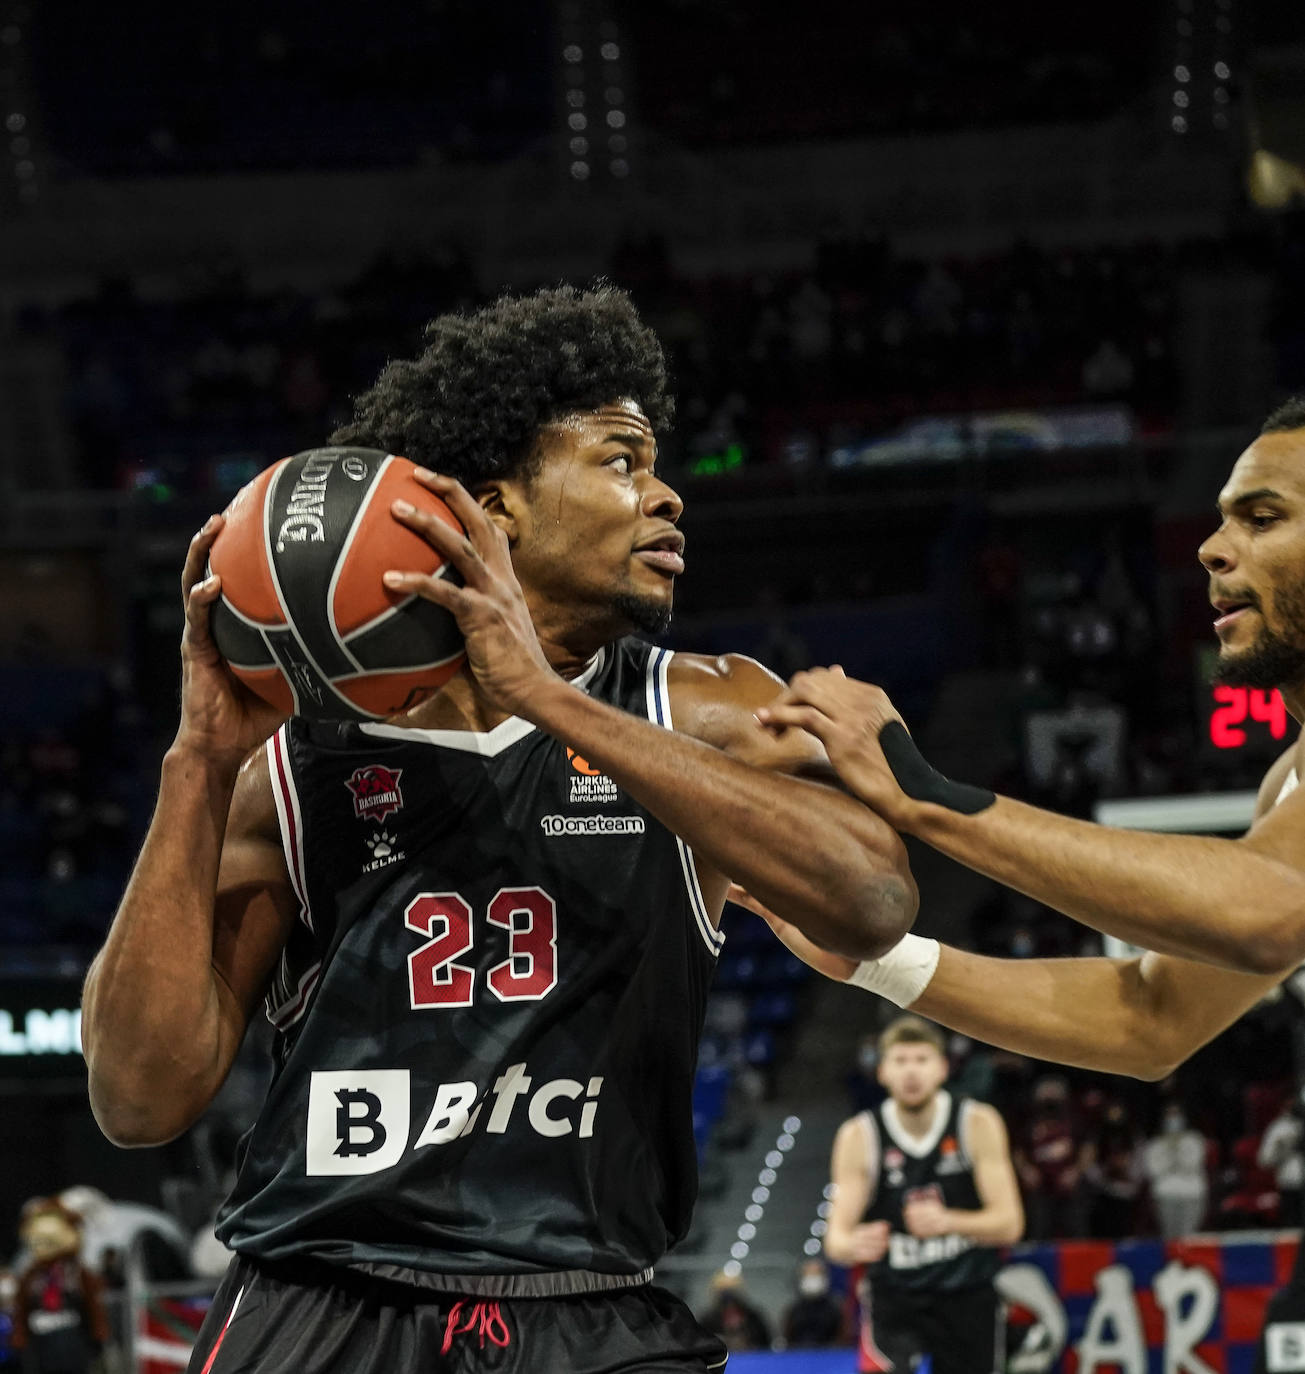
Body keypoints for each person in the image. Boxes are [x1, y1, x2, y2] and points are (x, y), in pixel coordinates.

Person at [81, 284, 917, 1374]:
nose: (667, 498)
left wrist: (547, 696)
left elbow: (877, 899)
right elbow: (138, 1101)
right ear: (491, 509)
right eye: (622, 462)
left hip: (593, 1305)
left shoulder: (703, 710)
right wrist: (197, 765)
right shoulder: (289, 766)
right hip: (321, 1299)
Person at [728, 398, 1305, 1372]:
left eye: (1261, 516)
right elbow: (1150, 1020)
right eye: (1218, 516)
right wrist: (885, 960)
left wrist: (925, 796)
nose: (1211, 547)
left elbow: (1267, 912)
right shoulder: (1287, 779)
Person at [824, 1015, 1023, 1374]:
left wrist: (948, 1221)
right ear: (882, 1071)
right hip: (895, 1297)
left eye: (921, 1060)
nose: (911, 1072)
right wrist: (854, 1243)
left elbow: (1010, 1224)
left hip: (967, 1292)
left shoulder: (977, 1122)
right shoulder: (859, 1135)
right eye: (900, 1061)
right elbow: (835, 1240)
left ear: (943, 1068)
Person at [1143, 1103, 1209, 1239]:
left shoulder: (1194, 1140)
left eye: (1176, 1114)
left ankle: (1188, 1259)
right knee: (1169, 1236)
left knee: (1188, 1235)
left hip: (1191, 1193)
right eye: (1169, 1115)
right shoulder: (1155, 1143)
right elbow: (1153, 1170)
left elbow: (1192, 1165)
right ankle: (1172, 1259)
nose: (1173, 1119)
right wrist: (1169, 1151)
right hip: (1165, 1193)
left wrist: (1177, 1150)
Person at [697, 1271, 772, 1353]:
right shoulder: (707, 1320)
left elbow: (766, 1343)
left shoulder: (753, 1317)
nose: (729, 1300)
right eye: (724, 1294)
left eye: (732, 1293)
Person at [779, 1257, 846, 1349]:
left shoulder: (836, 1310)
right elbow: (786, 1340)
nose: (813, 1278)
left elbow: (843, 1340)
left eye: (816, 1274)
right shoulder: (793, 1311)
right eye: (809, 1274)